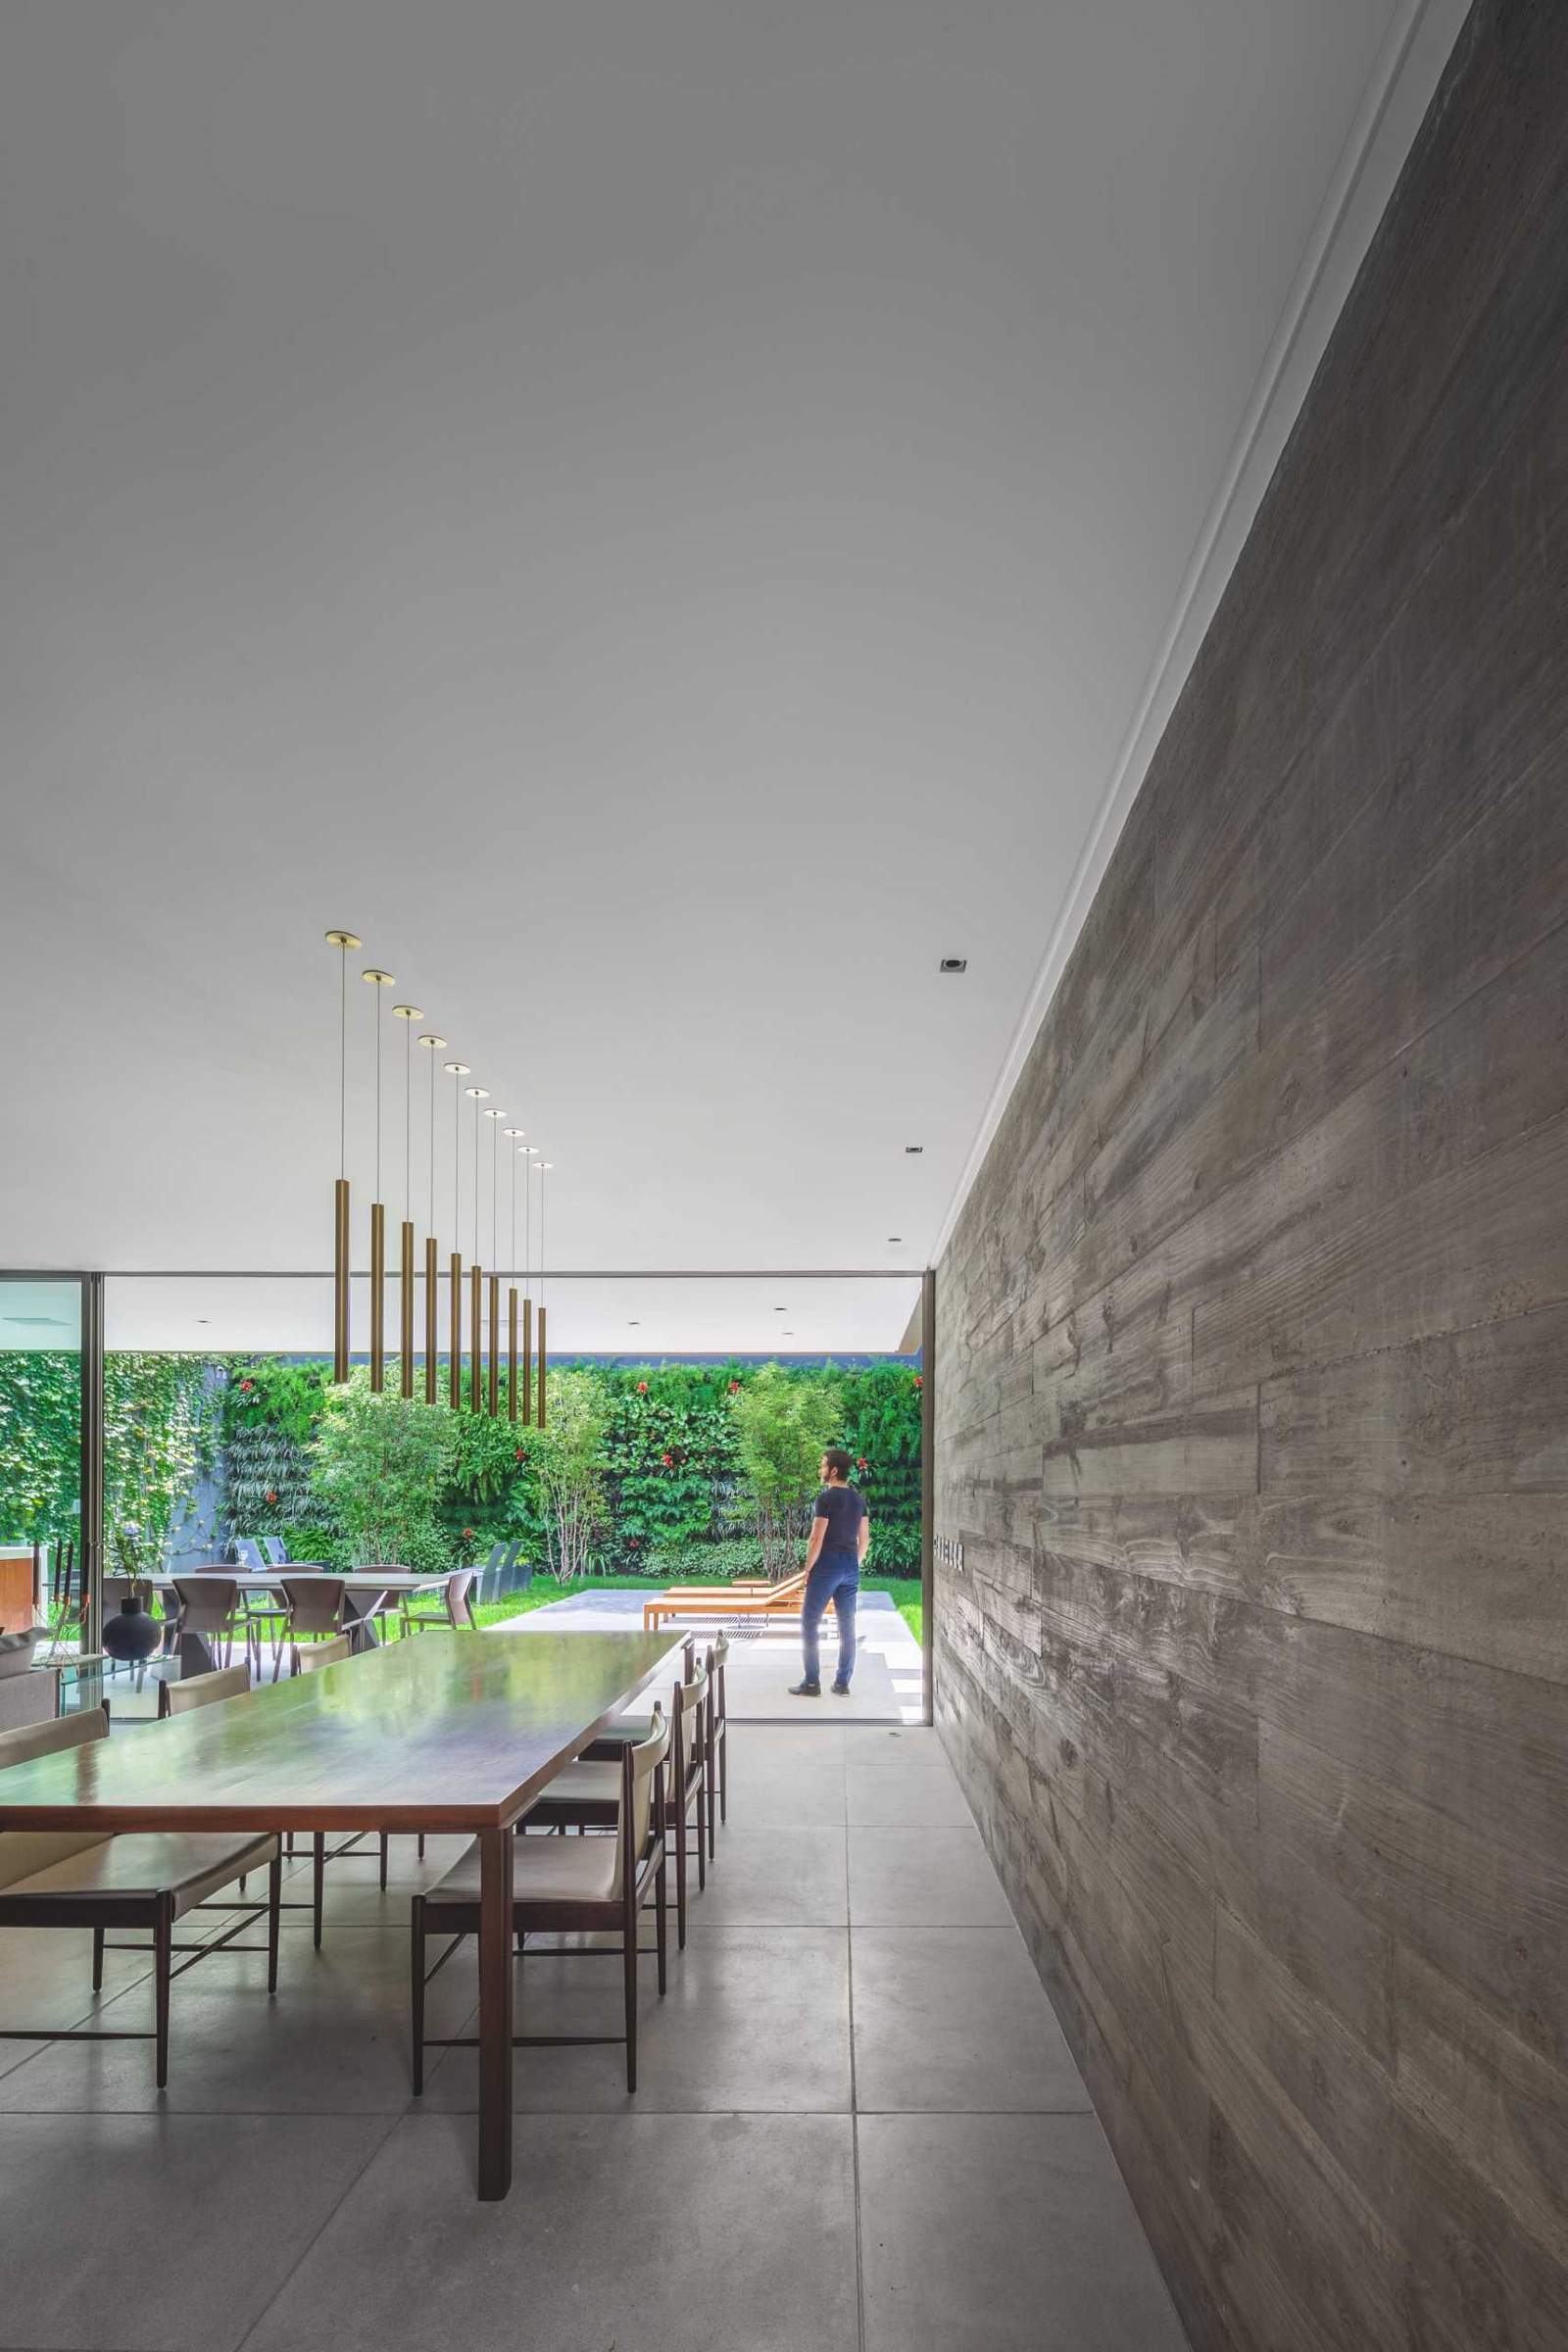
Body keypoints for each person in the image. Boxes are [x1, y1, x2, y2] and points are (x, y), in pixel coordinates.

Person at [790, 1447, 869, 1696]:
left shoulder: (825, 1499)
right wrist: (852, 1563)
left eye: (823, 1465)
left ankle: (812, 1682)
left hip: (827, 1566)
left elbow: (816, 1539)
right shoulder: (859, 1500)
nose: (820, 1470)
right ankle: (842, 1683)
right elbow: (864, 1540)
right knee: (847, 1627)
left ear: (833, 1471)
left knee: (809, 1622)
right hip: (850, 1566)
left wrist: (808, 1568)